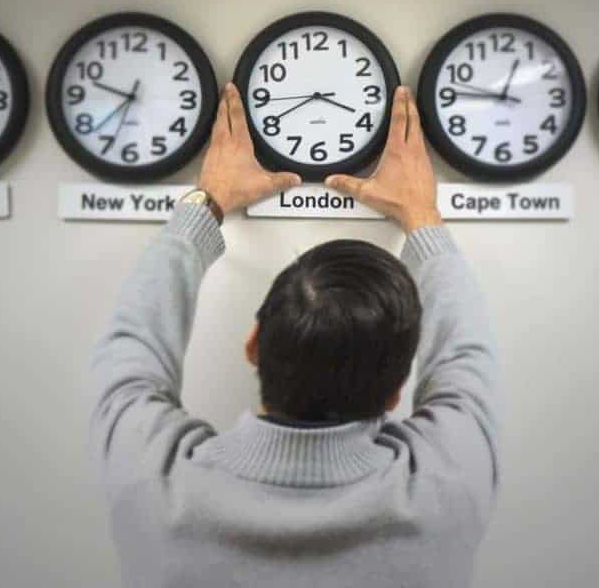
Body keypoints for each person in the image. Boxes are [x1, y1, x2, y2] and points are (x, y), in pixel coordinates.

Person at [90, 83, 502, 588]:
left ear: (253, 345)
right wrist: (422, 216)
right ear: (397, 391)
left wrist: (208, 201)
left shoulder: (156, 486)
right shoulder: (443, 489)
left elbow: (131, 349)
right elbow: (466, 358)